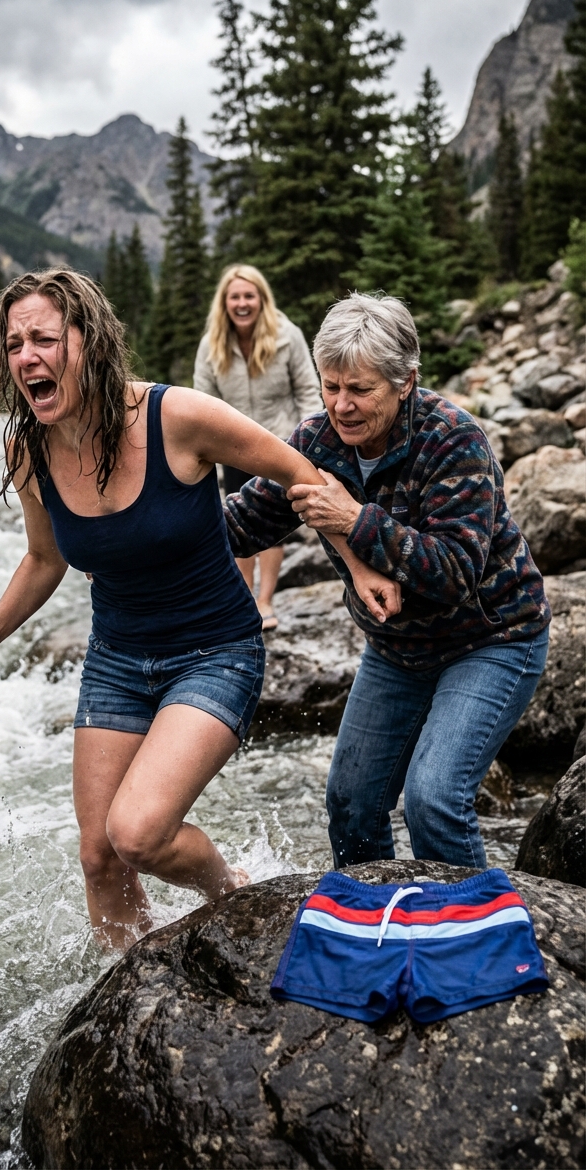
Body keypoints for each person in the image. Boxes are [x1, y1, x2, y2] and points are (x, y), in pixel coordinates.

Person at [0, 270, 397, 950]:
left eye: (44, 338)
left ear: (89, 344)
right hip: (118, 661)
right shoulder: (28, 446)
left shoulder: (177, 417)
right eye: (13, 344)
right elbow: (44, 558)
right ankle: (135, 986)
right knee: (100, 858)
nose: (26, 356)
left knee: (140, 833)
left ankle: (227, 890)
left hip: (217, 652)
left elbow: (303, 473)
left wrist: (357, 564)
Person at [224, 292, 551, 870]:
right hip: (398, 650)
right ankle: (380, 922)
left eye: (361, 390)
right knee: (351, 804)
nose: (341, 406)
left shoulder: (453, 439)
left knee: (434, 799)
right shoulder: (315, 441)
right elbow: (243, 523)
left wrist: (354, 519)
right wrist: (145, 530)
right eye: (331, 387)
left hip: (493, 639)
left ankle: (469, 935)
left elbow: (454, 573)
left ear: (405, 382)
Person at [194, 265, 322, 630]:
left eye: (249, 296)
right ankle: (245, 597)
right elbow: (203, 399)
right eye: (235, 297)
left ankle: (265, 601)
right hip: (232, 446)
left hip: (281, 441)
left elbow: (307, 389)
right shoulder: (211, 344)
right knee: (236, 521)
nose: (242, 303)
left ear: (262, 299)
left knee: (274, 522)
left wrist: (310, 442)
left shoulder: (288, 336)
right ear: (225, 302)